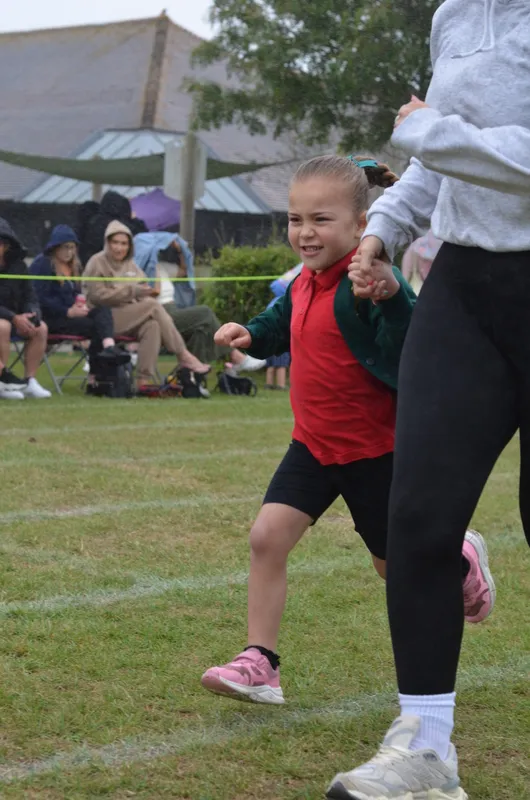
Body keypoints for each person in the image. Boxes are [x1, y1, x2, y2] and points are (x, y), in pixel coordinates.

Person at [326, 2, 530, 798]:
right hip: (467, 284)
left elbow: (451, 139)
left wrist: (426, 132)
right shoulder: (452, 14)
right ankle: (427, 750)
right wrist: (384, 224)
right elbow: (442, 156)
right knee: (417, 517)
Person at [200, 155, 491, 708]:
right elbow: (280, 319)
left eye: (321, 220)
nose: (304, 233)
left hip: (375, 453)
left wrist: (388, 297)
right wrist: (250, 335)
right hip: (312, 446)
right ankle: (259, 662)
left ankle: (459, 560)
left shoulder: (370, 283)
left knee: (394, 570)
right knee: (266, 537)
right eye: (294, 219)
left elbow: (407, 349)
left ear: (363, 225)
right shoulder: (304, 282)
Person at [83, 221, 210, 387]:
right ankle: (183, 355)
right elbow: (97, 297)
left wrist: (138, 294)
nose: (119, 248)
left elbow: (143, 288)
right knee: (152, 306)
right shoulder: (97, 262)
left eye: (124, 243)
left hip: (130, 315)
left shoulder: (132, 265)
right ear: (107, 242)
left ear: (129, 246)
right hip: (104, 319)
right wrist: (131, 292)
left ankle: (143, 380)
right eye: (115, 242)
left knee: (152, 326)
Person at [134, 231, 266, 373]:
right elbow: (154, 291)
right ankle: (235, 356)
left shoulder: (162, 266)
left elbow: (184, 270)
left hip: (174, 309)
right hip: (159, 313)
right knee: (204, 312)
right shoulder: (139, 270)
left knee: (201, 331)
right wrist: (152, 270)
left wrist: (179, 250)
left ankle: (190, 376)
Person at [29, 225, 130, 385]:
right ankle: (95, 374)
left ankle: (108, 347)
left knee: (101, 309)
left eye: (72, 247)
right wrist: (67, 311)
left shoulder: (74, 266)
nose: (69, 252)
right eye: (65, 247)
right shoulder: (43, 264)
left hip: (72, 315)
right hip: (51, 319)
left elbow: (75, 294)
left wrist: (80, 305)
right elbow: (39, 297)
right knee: (98, 327)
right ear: (55, 247)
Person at [0, 218, 51, 399]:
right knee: (2, 326)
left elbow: (30, 295)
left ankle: (30, 381)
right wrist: (13, 317)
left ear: (6, 246)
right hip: (6, 321)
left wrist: (32, 314)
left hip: (15, 318)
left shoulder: (19, 266)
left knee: (40, 328)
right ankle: (3, 382)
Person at [77, 192, 148, 267]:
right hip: (119, 268)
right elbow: (143, 237)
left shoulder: (93, 223)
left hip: (91, 265)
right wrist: (134, 219)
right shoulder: (124, 225)